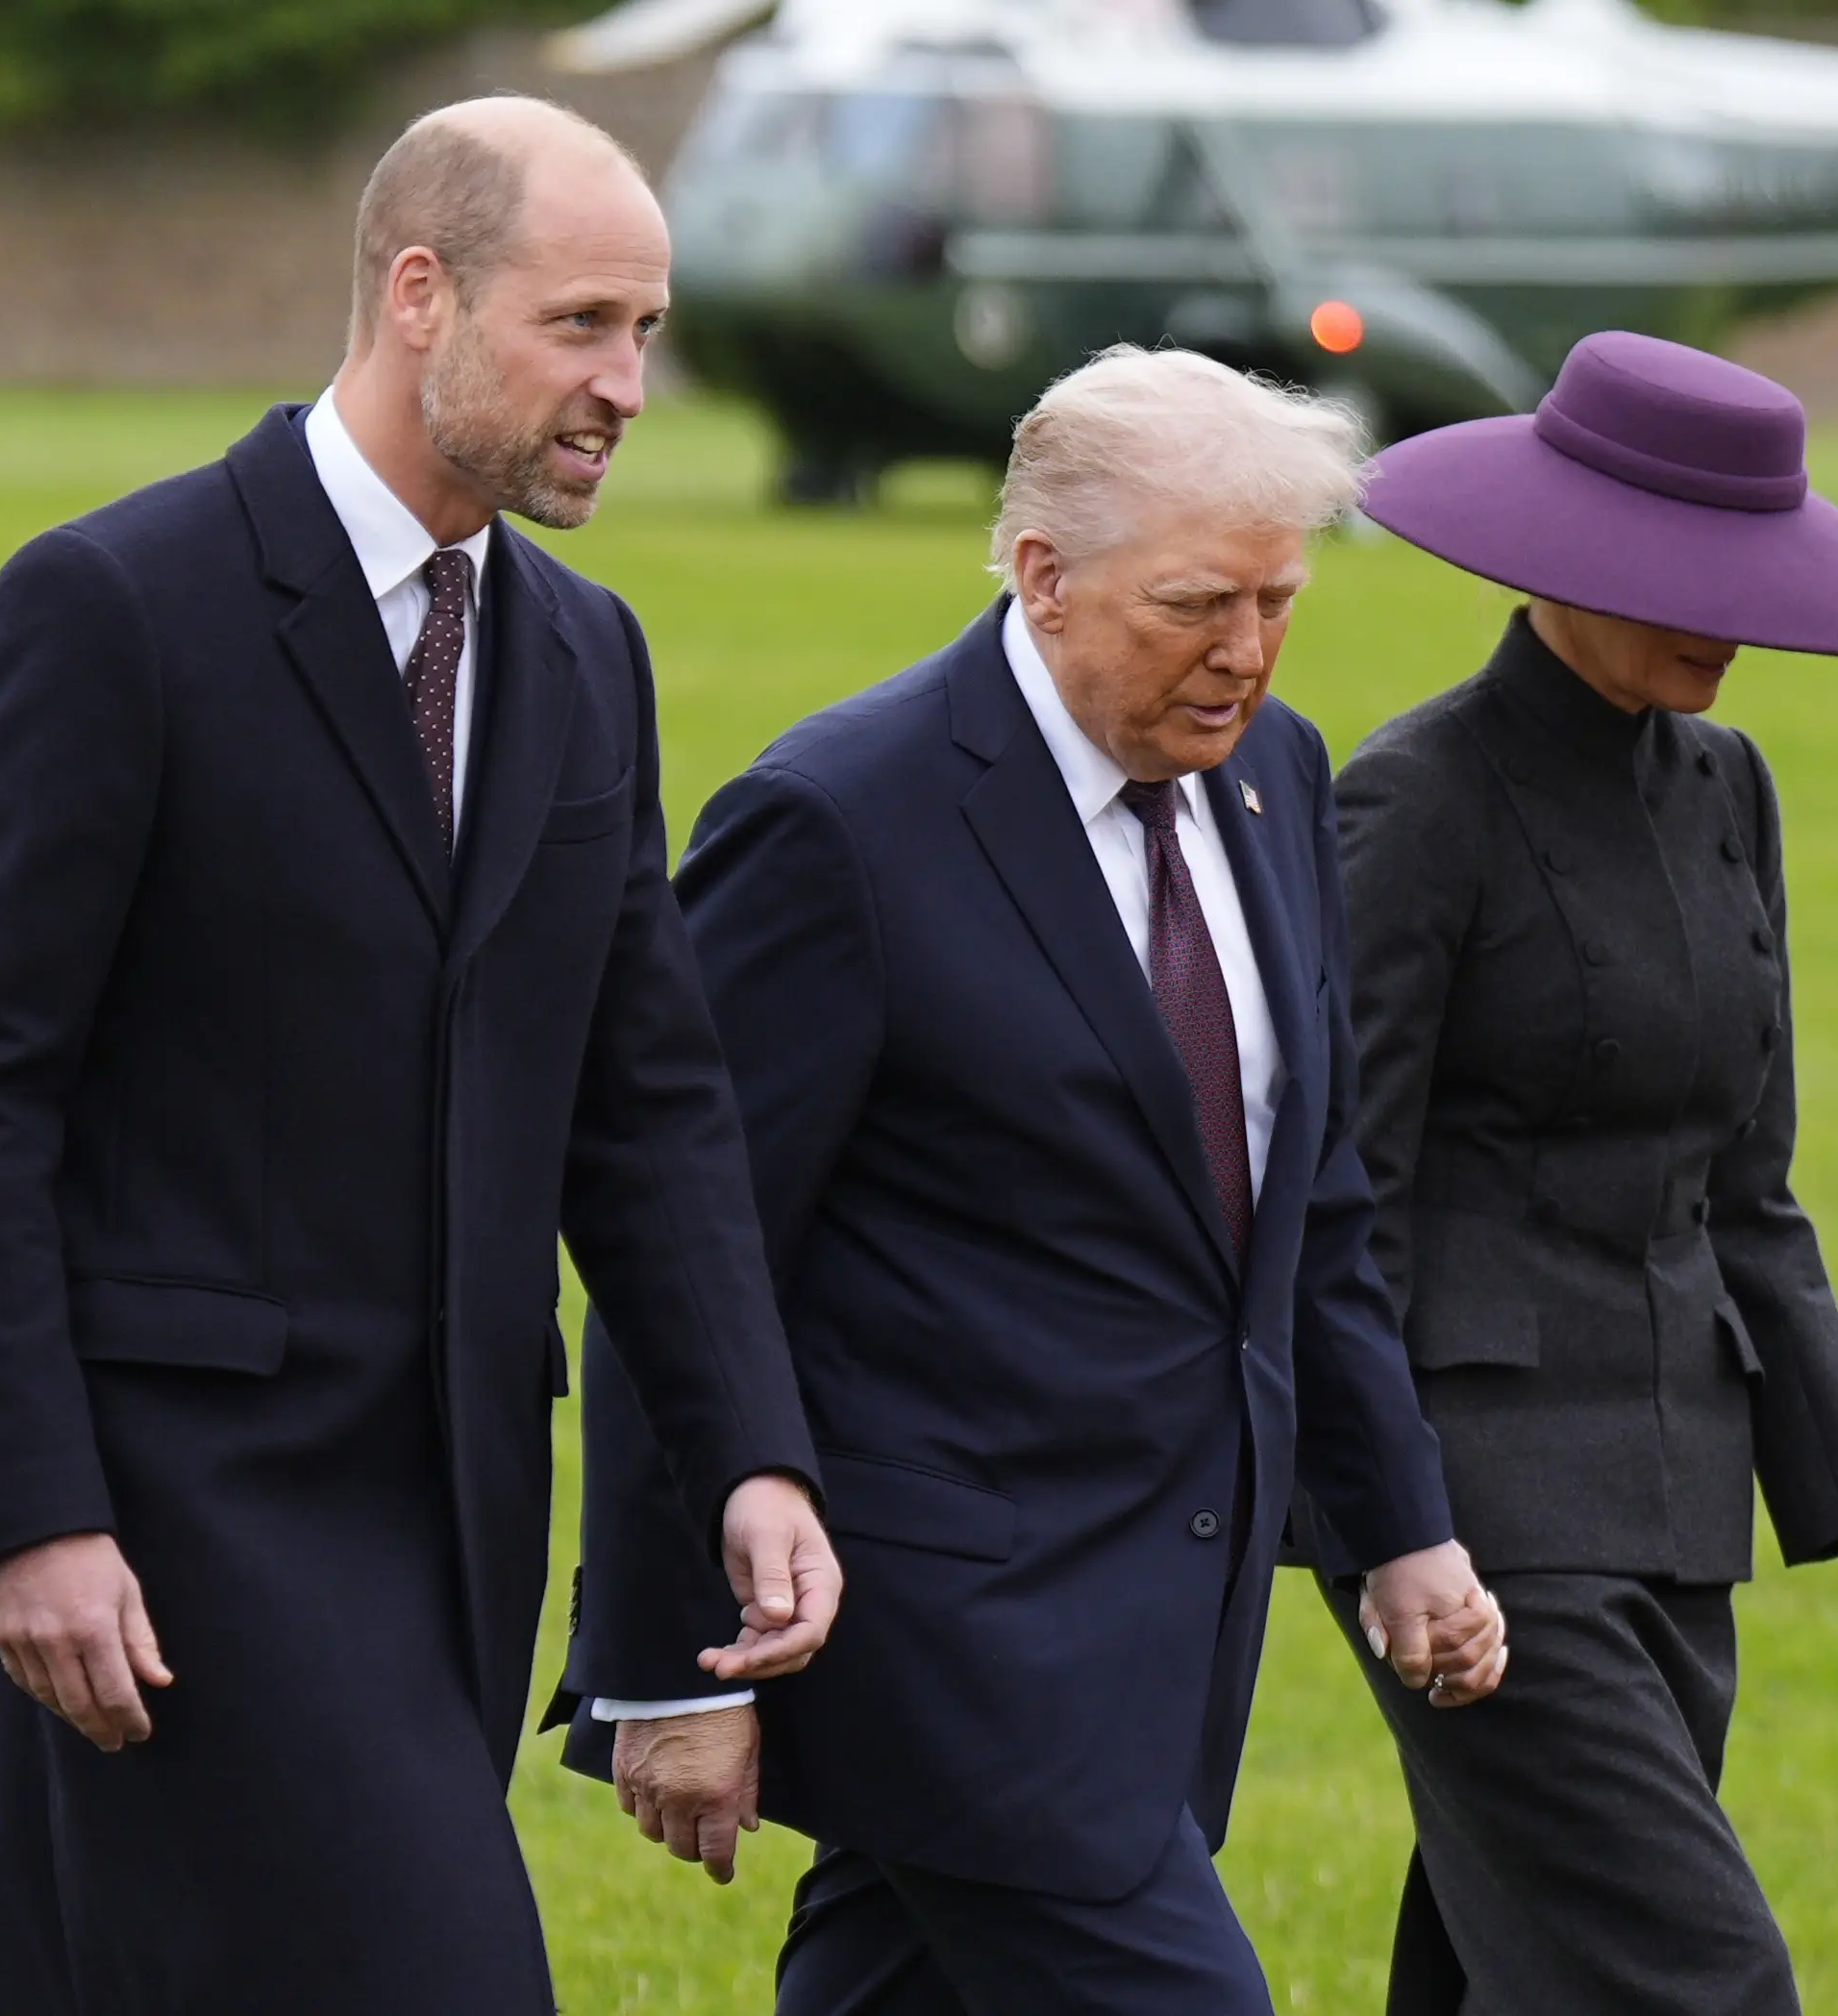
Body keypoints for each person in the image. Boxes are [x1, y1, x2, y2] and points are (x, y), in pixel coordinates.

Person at [0, 96, 839, 2016]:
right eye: (581, 325)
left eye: (643, 332)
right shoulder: (112, 608)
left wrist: (748, 1446)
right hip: (179, 1520)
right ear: (422, 295)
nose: (627, 383)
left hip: (458, 1517)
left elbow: (644, 1103)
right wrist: (31, 1512)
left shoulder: (586, 660)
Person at [559, 346, 1506, 2015]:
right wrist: (657, 1665)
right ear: (1043, 576)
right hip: (951, 1642)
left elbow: (1312, 1217)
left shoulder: (1277, 777)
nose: (1246, 653)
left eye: (1282, 599)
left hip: (1164, 1626)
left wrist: (1400, 1530)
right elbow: (680, 1253)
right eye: (1198, 603)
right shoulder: (838, 820)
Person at [1329, 329, 1838, 2015]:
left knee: (1503, 1966)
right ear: (1558, 554)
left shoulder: (1728, 790)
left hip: (1683, 1502)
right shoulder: (1416, 801)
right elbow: (1346, 1208)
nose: (1724, 614)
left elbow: (1750, 1193)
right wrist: (1394, 1524)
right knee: (1695, 1980)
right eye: (1678, 572)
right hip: (1481, 1515)